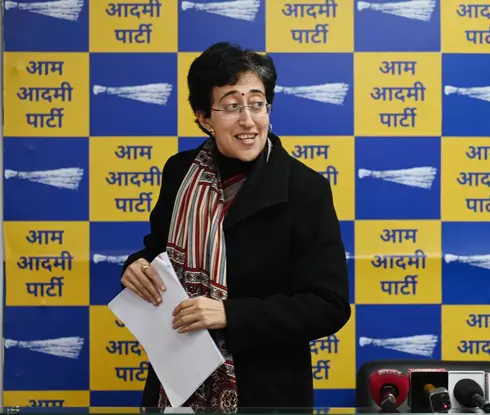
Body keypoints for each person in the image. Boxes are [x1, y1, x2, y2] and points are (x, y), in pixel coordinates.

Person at [119, 41, 351, 412]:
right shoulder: (180, 172)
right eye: (231, 106)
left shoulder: (304, 189)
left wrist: (230, 314)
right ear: (203, 117)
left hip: (265, 393)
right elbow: (159, 252)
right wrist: (136, 266)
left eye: (257, 103)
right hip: (176, 384)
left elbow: (329, 306)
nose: (248, 119)